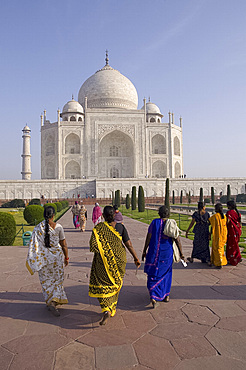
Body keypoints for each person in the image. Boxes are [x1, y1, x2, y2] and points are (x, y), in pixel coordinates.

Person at [89, 206, 141, 325]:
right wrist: (135, 257)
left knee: (103, 285)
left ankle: (106, 309)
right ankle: (111, 306)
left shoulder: (98, 228)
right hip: (119, 260)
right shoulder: (121, 227)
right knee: (115, 284)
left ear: (103, 216)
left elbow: (93, 246)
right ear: (114, 216)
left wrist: (105, 252)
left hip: (103, 262)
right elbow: (129, 244)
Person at [26, 206, 69, 316]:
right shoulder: (58, 227)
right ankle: (53, 301)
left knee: (46, 281)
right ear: (53, 215)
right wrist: (66, 257)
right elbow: (63, 244)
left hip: (44, 260)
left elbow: (33, 246)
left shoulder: (37, 228)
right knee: (57, 280)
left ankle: (51, 301)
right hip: (57, 259)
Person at [142, 205, 184, 308]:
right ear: (168, 214)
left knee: (153, 273)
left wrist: (144, 250)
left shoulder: (154, 223)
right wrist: (181, 253)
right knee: (166, 273)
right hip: (166, 253)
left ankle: (153, 296)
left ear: (158, 214)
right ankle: (166, 295)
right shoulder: (171, 223)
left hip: (154, 252)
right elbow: (177, 239)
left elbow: (149, 237)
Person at [209, 203, 227, 269]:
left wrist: (210, 234)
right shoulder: (224, 216)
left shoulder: (215, 217)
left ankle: (219, 263)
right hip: (223, 235)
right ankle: (214, 261)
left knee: (217, 249)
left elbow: (211, 225)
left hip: (217, 235)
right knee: (221, 248)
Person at [226, 200, 242, 266]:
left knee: (231, 245)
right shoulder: (238, 213)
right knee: (235, 244)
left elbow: (227, 222)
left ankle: (232, 259)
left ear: (230, 206)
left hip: (232, 231)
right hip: (237, 231)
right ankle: (237, 257)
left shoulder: (229, 213)